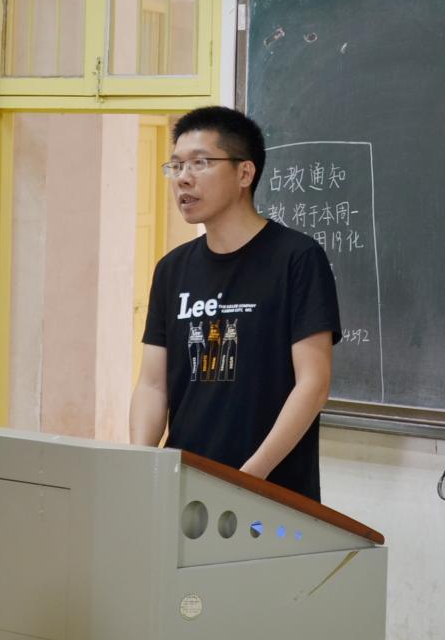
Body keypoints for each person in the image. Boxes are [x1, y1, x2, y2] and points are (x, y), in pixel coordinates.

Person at [128, 106, 340, 502]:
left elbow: (313, 383)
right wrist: (141, 464)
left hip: (269, 491)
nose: (183, 178)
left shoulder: (296, 258)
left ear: (245, 173)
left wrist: (249, 477)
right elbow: (153, 384)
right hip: (183, 486)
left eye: (200, 163)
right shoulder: (172, 269)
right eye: (176, 166)